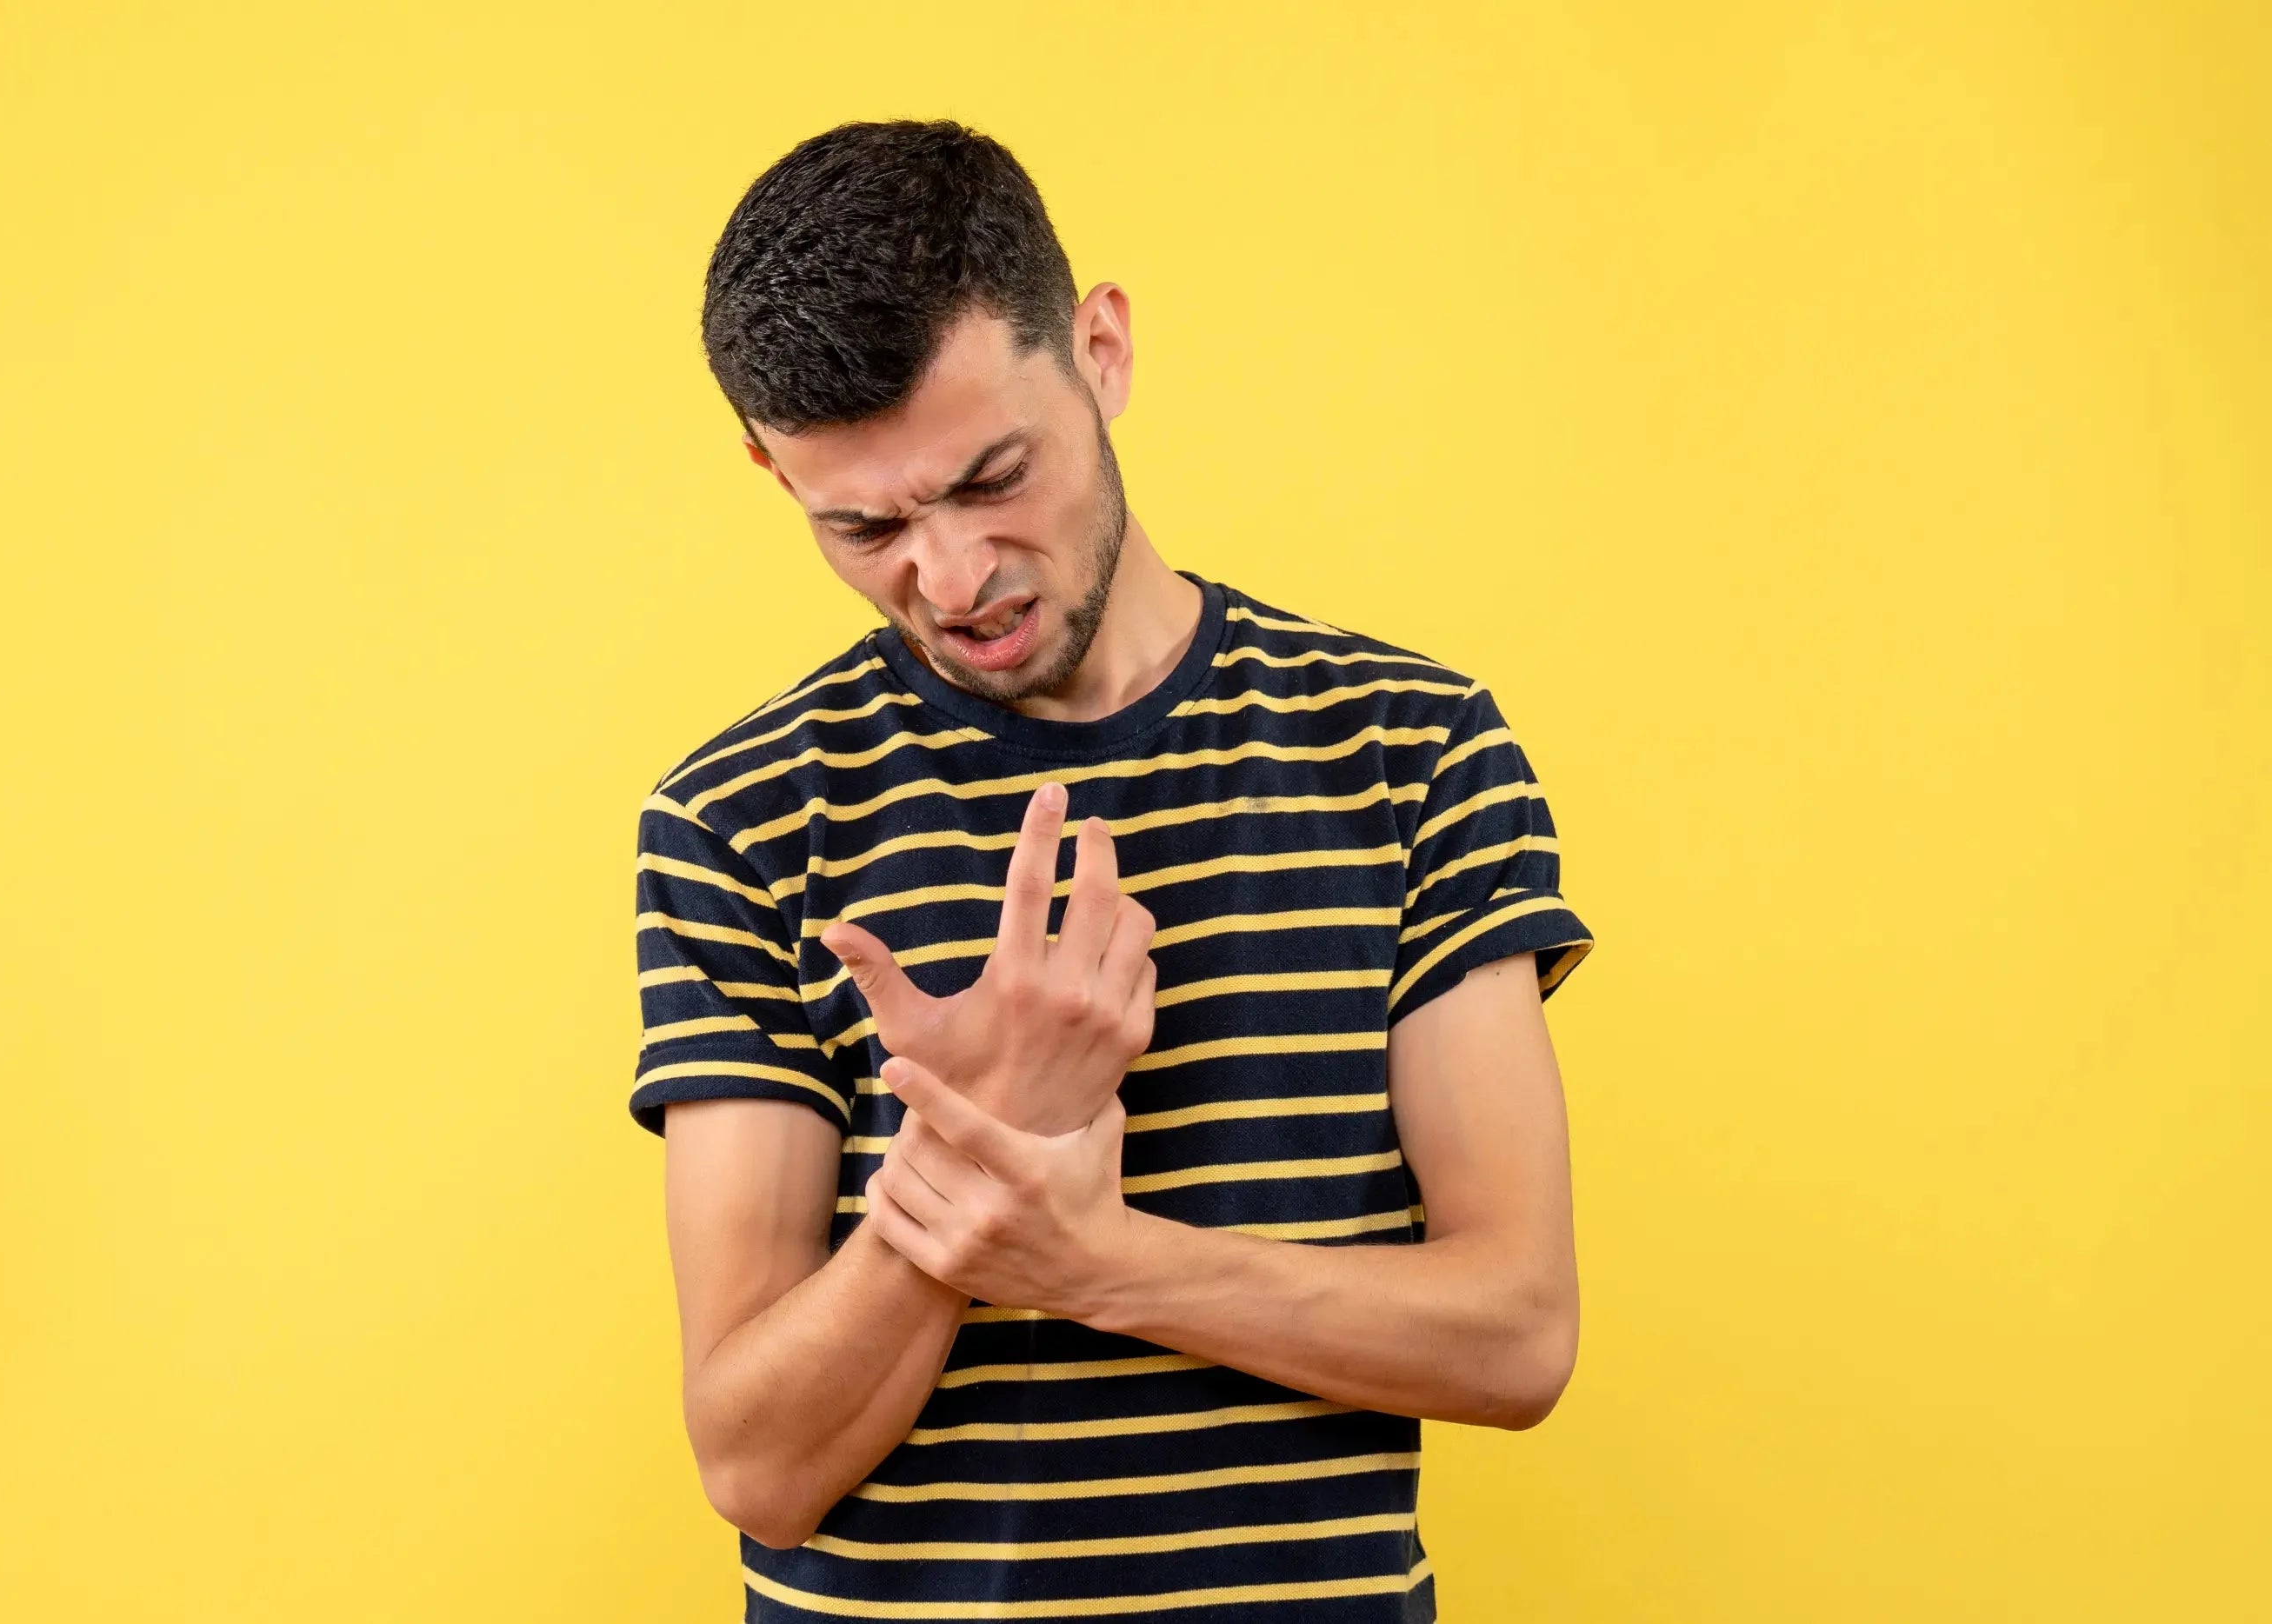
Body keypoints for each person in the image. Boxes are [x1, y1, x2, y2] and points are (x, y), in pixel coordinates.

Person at [630, 118, 1596, 1622]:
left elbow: (1517, 1337)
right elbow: (757, 1466)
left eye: (993, 475)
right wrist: (984, 1144)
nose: (952, 580)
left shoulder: (1410, 751)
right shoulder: (742, 821)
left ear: (1103, 352)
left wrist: (1096, 1261)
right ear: (770, 473)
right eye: (863, 527)